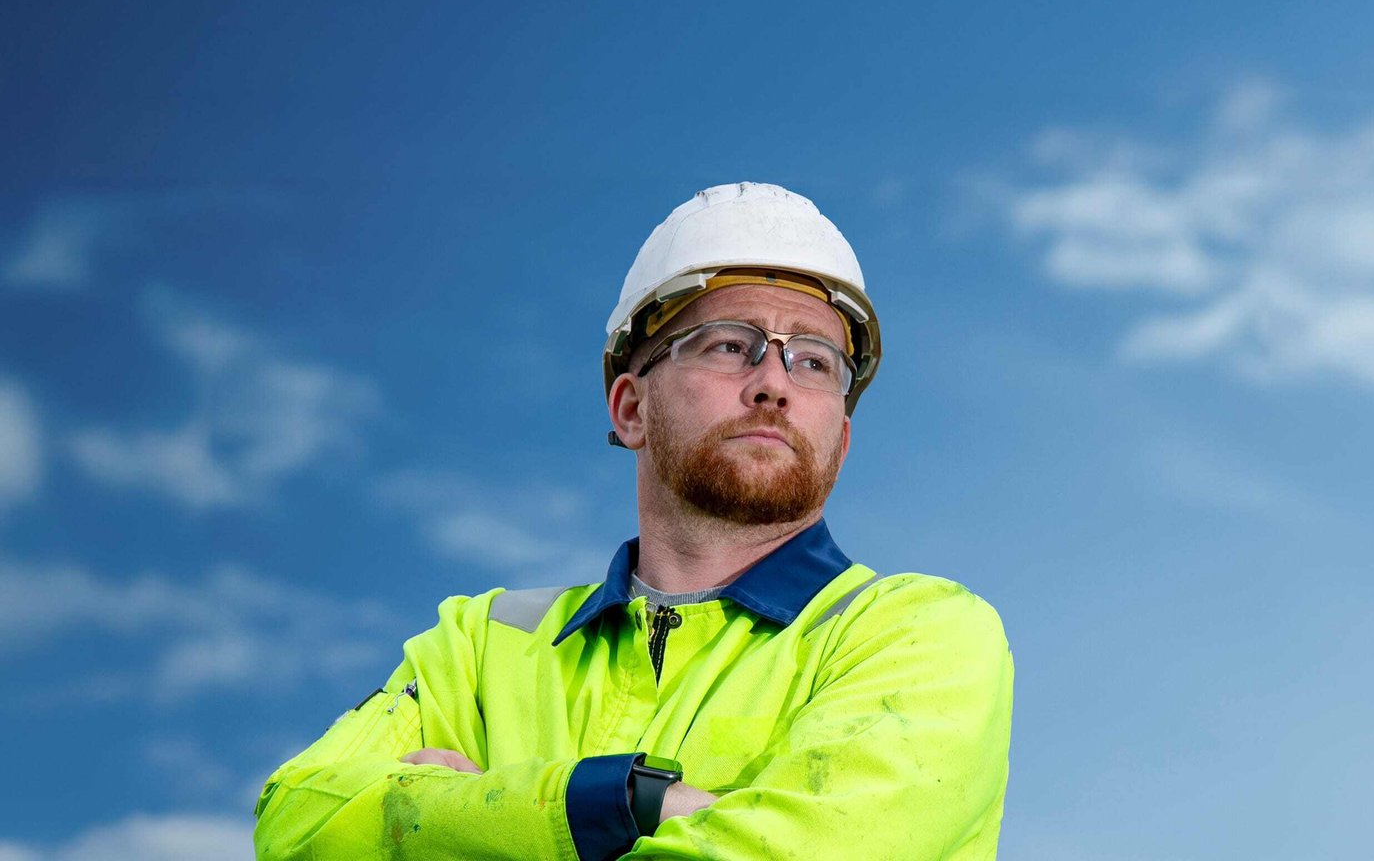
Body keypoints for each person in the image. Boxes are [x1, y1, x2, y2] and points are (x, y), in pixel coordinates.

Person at [252, 182, 1014, 860]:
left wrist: (473, 823)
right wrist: (614, 802)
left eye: (814, 361)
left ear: (840, 439)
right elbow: (297, 823)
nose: (773, 383)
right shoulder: (484, 645)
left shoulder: (917, 636)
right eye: (730, 344)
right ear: (631, 406)